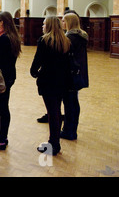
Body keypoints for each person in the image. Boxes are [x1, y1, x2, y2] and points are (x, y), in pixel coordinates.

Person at [30, 16, 71, 156]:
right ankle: (55, 142)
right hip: (62, 81)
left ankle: (54, 144)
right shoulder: (65, 41)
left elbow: (37, 63)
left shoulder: (44, 41)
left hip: (48, 82)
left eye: (44, 24)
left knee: (52, 113)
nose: (42, 26)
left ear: (49, 26)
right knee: (56, 112)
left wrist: (35, 73)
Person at [0, 12, 21, 150]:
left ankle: (2, 139)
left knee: (2, 108)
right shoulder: (11, 36)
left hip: (3, 78)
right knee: (3, 107)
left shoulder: (3, 39)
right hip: (9, 76)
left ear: (2, 22)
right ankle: (2, 136)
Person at [61, 12, 89, 140]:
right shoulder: (81, 36)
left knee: (69, 104)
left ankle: (69, 131)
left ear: (69, 22)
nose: (61, 23)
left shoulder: (70, 37)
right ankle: (71, 129)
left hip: (70, 74)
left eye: (63, 21)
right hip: (77, 73)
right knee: (73, 102)